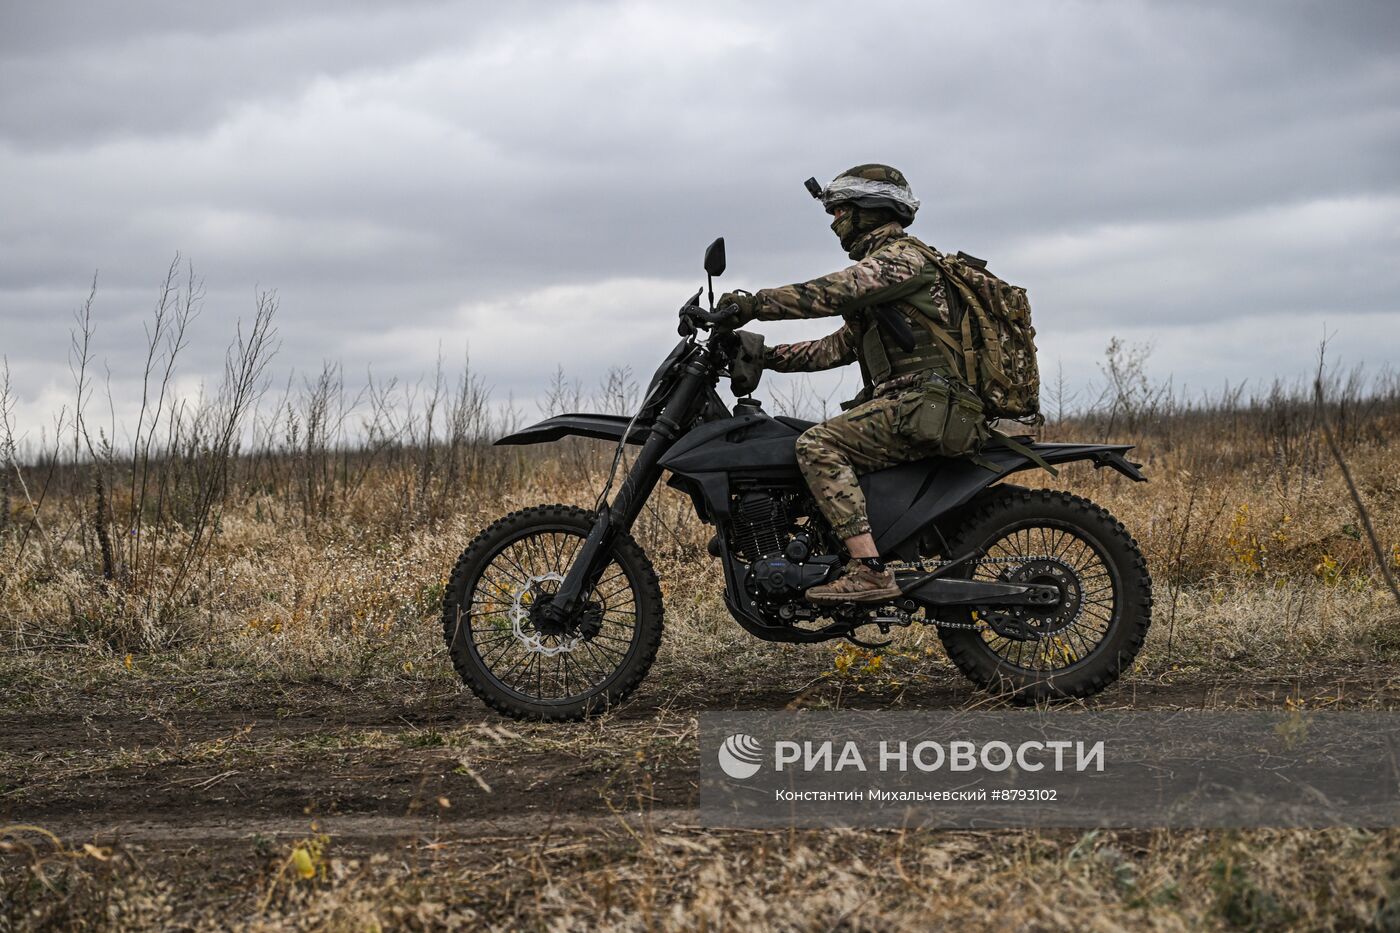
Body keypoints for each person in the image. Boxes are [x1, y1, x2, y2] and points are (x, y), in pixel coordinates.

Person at [716, 164, 988, 603]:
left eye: (840, 210)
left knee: (817, 445)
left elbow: (835, 291)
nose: (834, 221)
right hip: (917, 405)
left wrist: (755, 305)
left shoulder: (903, 260)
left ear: (869, 210)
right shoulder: (885, 287)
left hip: (925, 405)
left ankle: (869, 571)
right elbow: (834, 349)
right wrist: (761, 357)